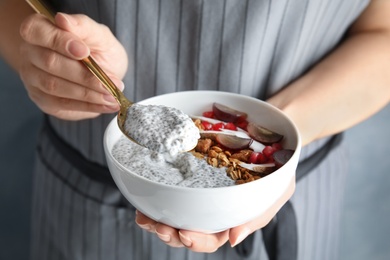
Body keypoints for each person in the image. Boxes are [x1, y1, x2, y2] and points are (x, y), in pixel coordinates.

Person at [1, 0, 389, 259]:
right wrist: (42, 56)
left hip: (297, 192)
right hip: (91, 201)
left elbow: (381, 33)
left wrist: (277, 137)